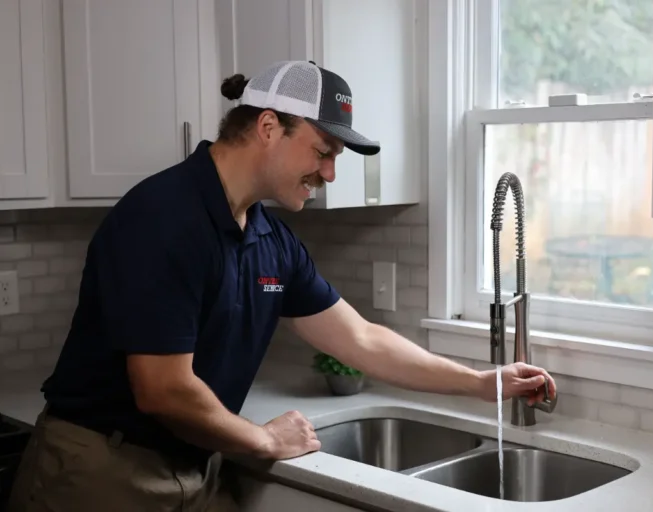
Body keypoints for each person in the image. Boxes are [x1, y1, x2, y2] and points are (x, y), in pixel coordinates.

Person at [6, 60, 556, 512]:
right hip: (99, 472)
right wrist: (264, 439)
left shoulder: (270, 238)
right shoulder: (164, 218)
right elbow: (162, 389)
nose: (330, 175)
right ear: (269, 127)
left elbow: (361, 340)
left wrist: (483, 383)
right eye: (323, 152)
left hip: (195, 465)